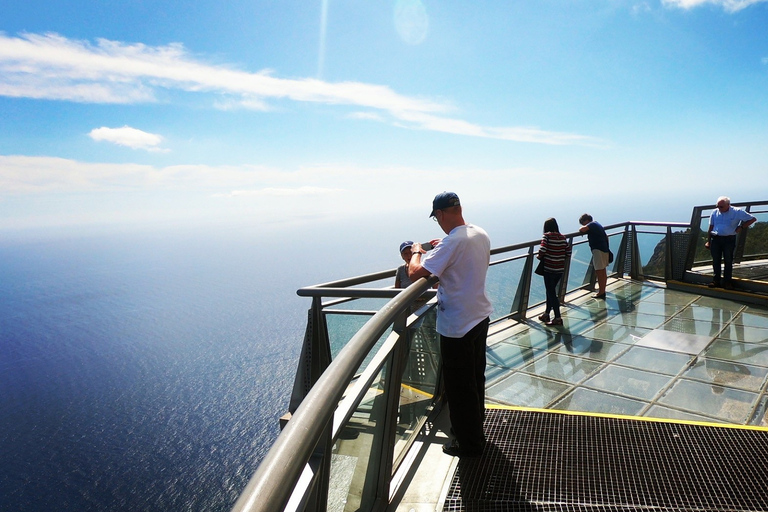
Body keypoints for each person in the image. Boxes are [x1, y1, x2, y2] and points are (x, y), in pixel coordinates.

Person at [407, 192, 492, 458]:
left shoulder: (452, 243)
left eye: (437, 218)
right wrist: (443, 245)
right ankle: (476, 431)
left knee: (459, 388)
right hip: (479, 315)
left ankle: (469, 445)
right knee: (475, 378)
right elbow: (456, 249)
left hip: (458, 325)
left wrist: (416, 252)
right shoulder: (478, 232)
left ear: (440, 214)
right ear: (459, 208)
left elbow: (414, 274)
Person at [704, 196, 756, 290]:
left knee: (728, 261)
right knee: (716, 261)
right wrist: (708, 241)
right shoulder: (715, 212)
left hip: (729, 239)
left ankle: (727, 282)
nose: (719, 208)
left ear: (728, 205)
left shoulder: (737, 211)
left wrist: (741, 227)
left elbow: (752, 219)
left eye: (721, 207)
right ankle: (716, 280)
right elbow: (711, 227)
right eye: (718, 206)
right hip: (716, 238)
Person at [537, 218, 571, 326]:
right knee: (550, 291)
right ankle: (546, 314)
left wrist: (539, 256)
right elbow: (568, 252)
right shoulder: (562, 237)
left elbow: (542, 250)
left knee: (552, 293)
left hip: (549, 269)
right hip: (559, 270)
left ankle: (558, 318)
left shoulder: (547, 236)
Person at [578, 213, 610, 299]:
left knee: (599, 272)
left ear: (586, 221)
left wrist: (581, 229)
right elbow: (607, 237)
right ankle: (602, 290)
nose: (583, 225)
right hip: (604, 249)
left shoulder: (592, 224)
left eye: (583, 222)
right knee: (603, 272)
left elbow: (583, 229)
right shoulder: (597, 224)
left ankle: (601, 292)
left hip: (598, 251)